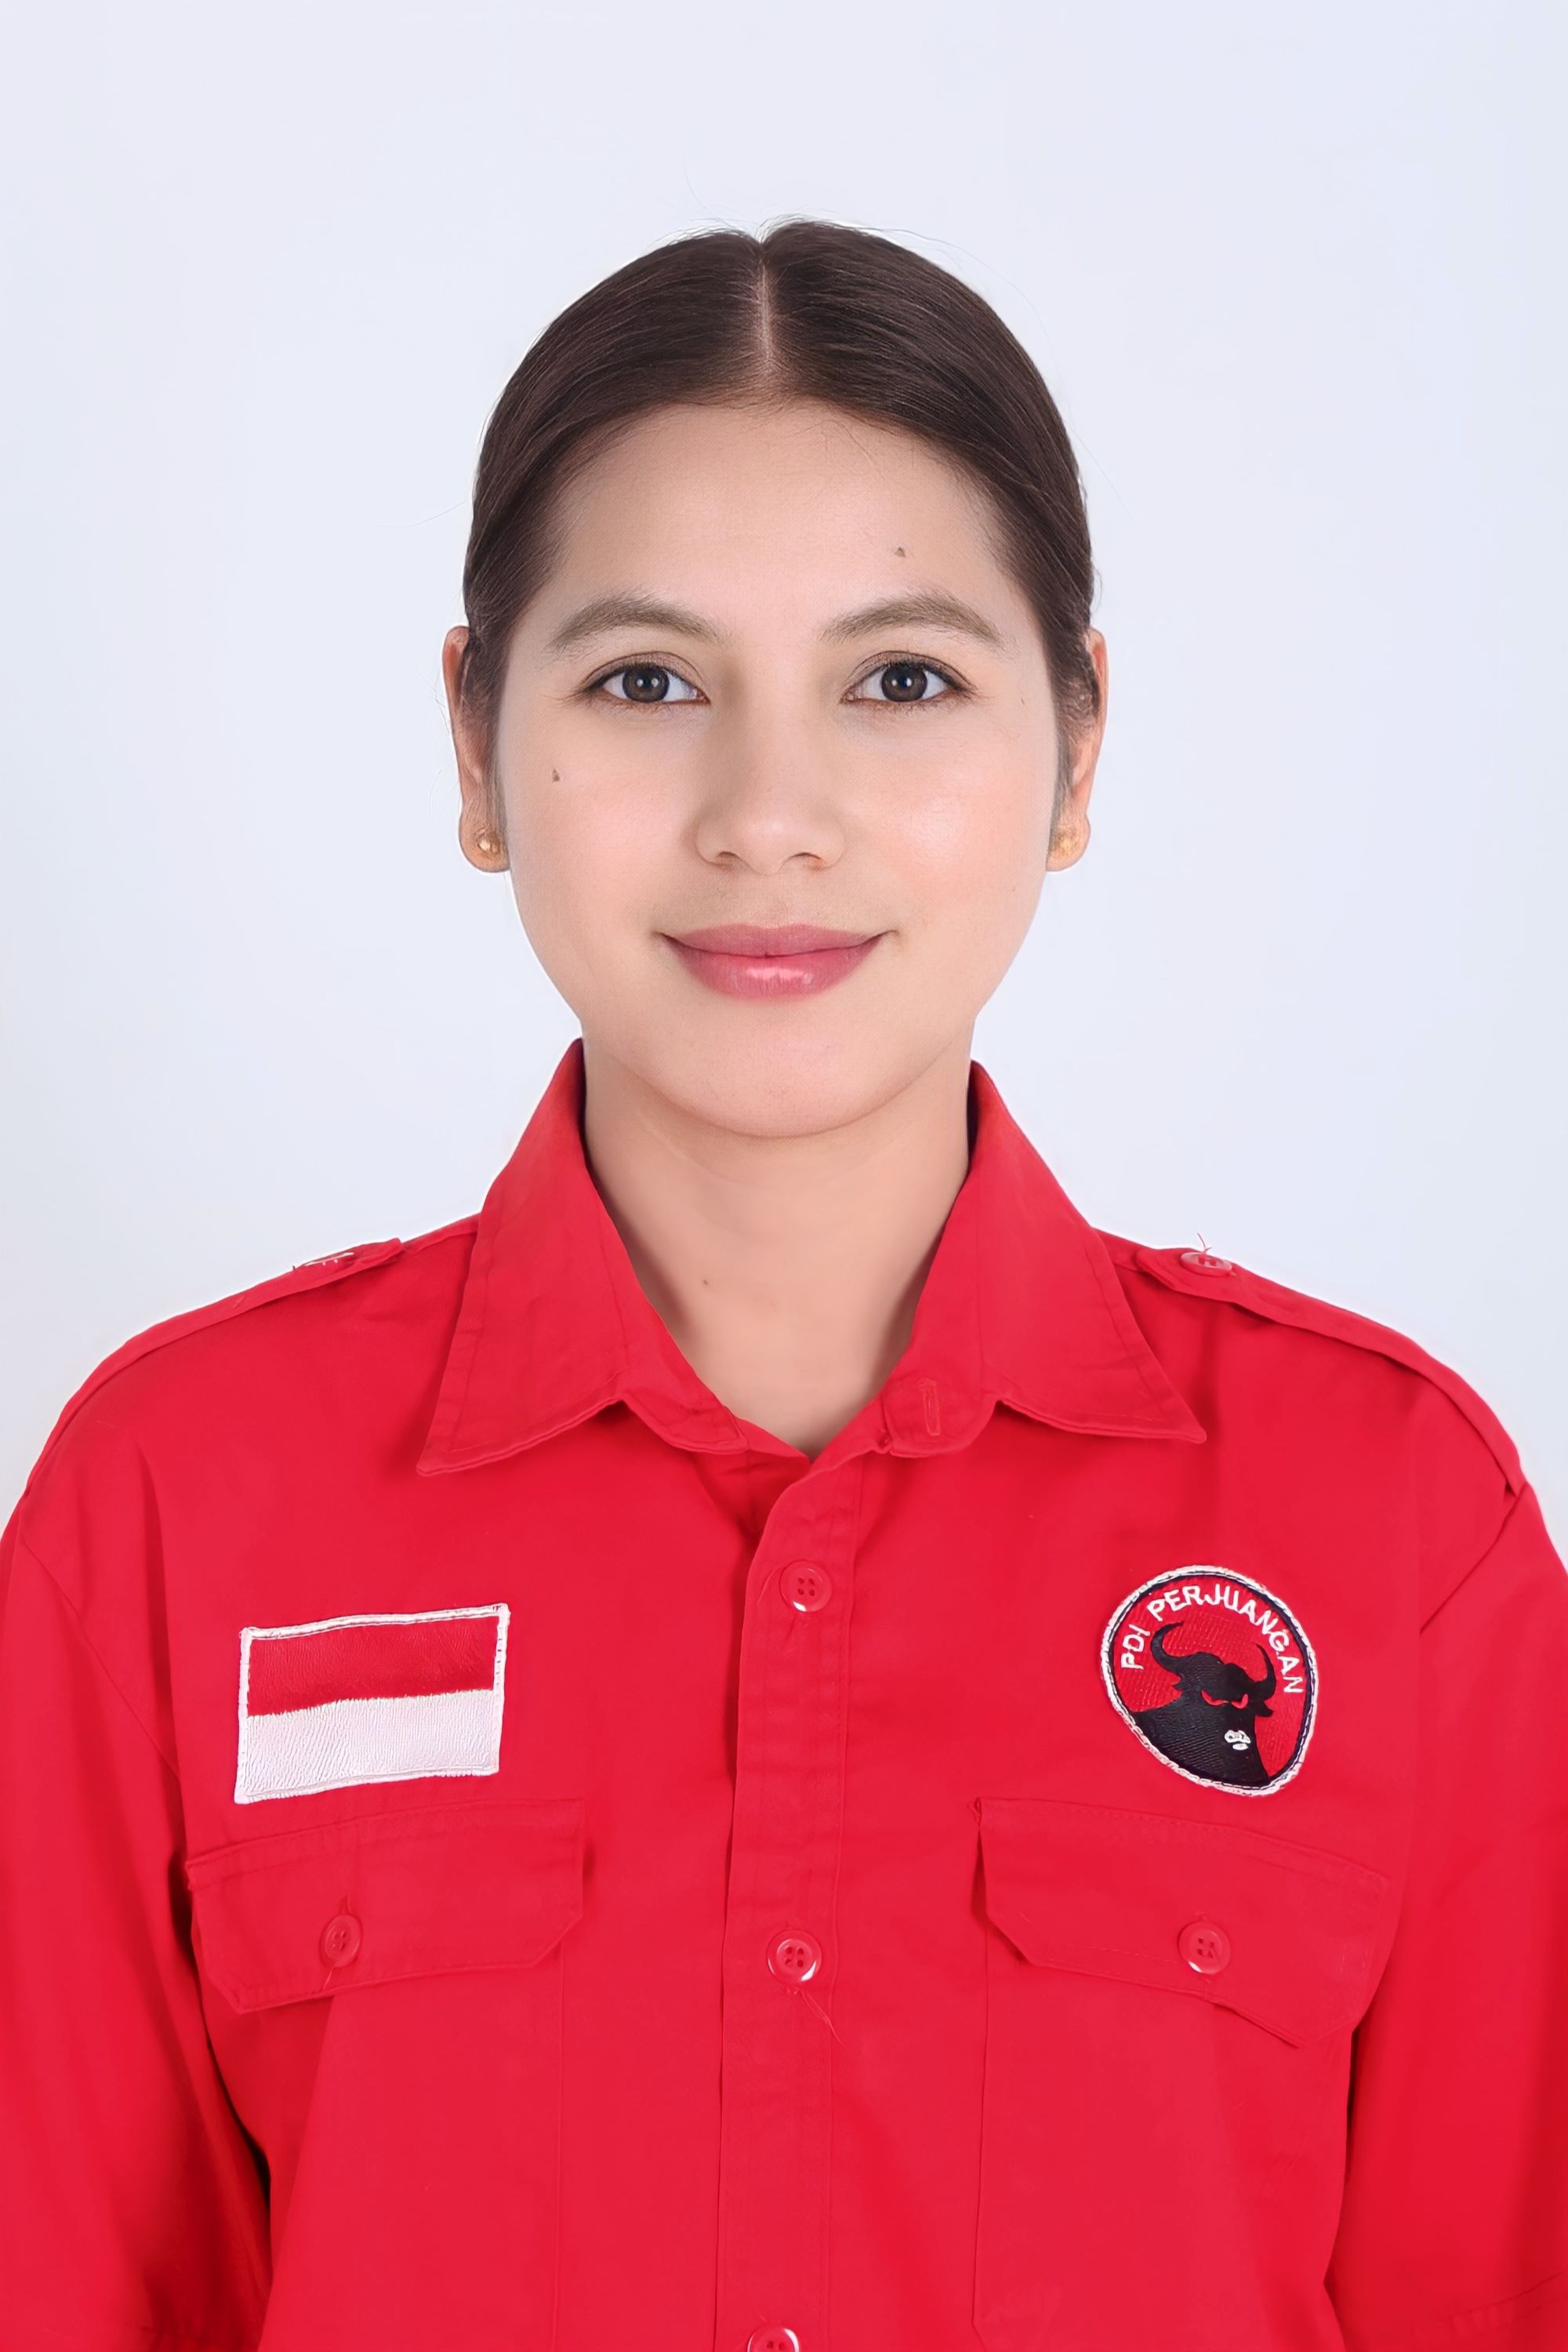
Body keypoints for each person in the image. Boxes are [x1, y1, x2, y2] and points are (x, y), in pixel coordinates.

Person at [1, 219, 1564, 2352]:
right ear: (473, 745)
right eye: (647, 682)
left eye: (901, 681)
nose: (768, 817)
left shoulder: (1391, 1520)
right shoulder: (175, 1504)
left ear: (1080, 747)